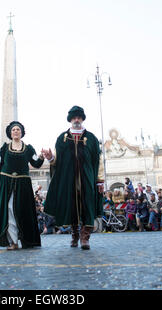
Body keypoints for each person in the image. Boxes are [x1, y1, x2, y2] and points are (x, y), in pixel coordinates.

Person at [42, 106, 104, 250]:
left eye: (79, 117)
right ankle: (75, 234)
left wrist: (99, 180)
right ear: (70, 119)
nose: (76, 120)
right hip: (68, 179)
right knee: (72, 207)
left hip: (87, 178)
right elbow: (56, 160)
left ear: (82, 119)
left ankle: (85, 236)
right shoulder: (62, 138)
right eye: (74, 117)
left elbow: (98, 159)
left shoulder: (92, 138)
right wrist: (50, 157)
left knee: (87, 206)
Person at [0, 121, 44, 250]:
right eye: (13, 129)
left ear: (21, 133)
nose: (15, 131)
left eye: (18, 130)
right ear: (10, 132)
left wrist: (42, 157)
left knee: (22, 211)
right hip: (6, 183)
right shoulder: (4, 148)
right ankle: (13, 241)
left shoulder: (28, 149)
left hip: (23, 185)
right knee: (9, 211)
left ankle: (25, 239)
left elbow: (36, 163)